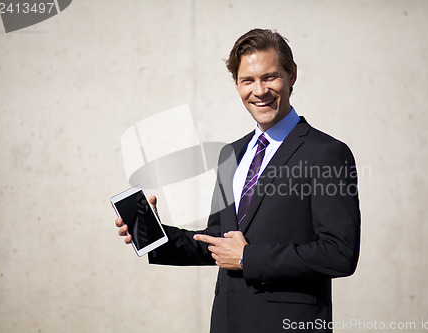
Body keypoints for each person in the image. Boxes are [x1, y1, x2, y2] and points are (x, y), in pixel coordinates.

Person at [115, 28, 361, 333]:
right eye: (248, 80)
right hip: (227, 322)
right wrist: (152, 233)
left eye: (270, 77)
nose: (259, 91)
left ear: (292, 75)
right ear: (236, 84)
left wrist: (248, 257)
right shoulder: (230, 154)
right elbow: (219, 243)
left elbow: (340, 254)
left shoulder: (327, 153)